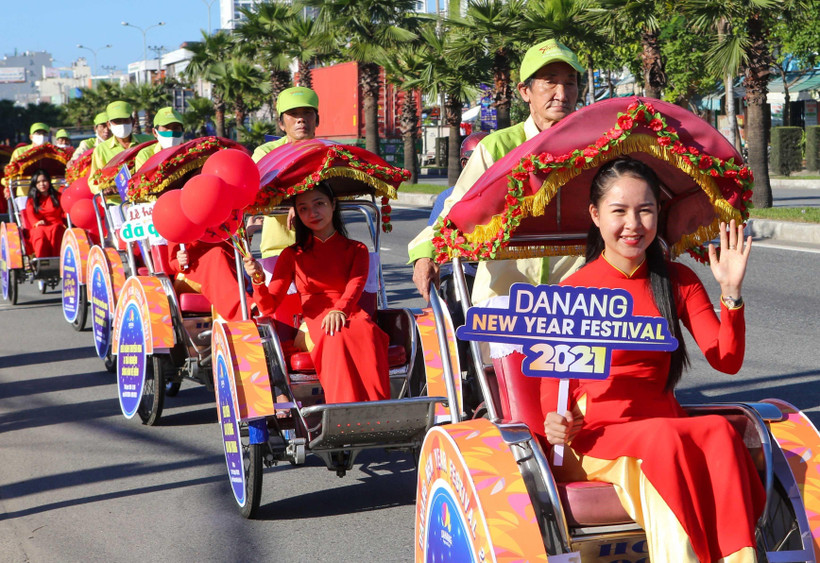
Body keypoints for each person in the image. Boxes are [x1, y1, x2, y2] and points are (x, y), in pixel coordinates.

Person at [540, 157, 762, 562]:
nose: (633, 224)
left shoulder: (678, 281)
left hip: (663, 426)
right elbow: (553, 389)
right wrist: (556, 421)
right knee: (663, 438)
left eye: (645, 210)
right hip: (599, 436)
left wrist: (731, 293)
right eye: (619, 211)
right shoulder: (572, 291)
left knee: (718, 430)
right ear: (596, 215)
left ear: (658, 213)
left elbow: (726, 361)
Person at [409, 39, 585, 304]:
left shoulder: (596, 144)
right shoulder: (497, 147)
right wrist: (426, 254)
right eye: (550, 82)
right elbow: (456, 209)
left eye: (570, 83)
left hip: (578, 299)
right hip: (503, 298)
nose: (562, 93)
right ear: (525, 91)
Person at [243, 182, 390, 404]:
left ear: (333, 204)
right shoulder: (291, 255)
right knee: (335, 335)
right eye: (303, 208)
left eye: (319, 204)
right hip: (315, 320)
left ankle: (378, 411)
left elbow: (355, 284)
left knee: (368, 334)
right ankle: (344, 410)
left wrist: (339, 310)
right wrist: (258, 279)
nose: (312, 213)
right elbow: (268, 306)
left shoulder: (357, 249)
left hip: (351, 313)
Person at [252, 86, 320, 259]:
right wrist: (294, 203)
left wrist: (302, 203)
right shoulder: (265, 153)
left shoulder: (330, 151)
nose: (301, 119)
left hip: (323, 246)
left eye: (307, 113)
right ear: (281, 124)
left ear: (317, 120)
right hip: (278, 250)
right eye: (293, 114)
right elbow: (259, 190)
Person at [88, 101, 153, 201]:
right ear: (109, 124)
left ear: (133, 122)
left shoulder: (149, 141)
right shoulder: (101, 149)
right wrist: (105, 189)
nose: (122, 125)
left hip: (147, 200)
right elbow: (93, 181)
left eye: (125, 121)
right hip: (117, 203)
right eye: (117, 121)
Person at [168, 240, 245, 322]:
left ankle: (239, 315)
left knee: (218, 258)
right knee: (217, 256)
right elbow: (172, 261)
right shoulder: (179, 231)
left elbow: (237, 253)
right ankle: (241, 312)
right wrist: (180, 261)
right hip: (190, 273)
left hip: (221, 269)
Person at [23, 169, 66, 257]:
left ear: (49, 181)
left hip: (57, 225)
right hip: (39, 226)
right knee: (40, 232)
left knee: (57, 229)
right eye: (38, 182)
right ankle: (41, 258)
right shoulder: (31, 200)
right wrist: (37, 222)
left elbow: (64, 211)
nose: (42, 184)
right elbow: (31, 215)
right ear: (35, 184)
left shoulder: (58, 196)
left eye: (44, 181)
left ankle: (57, 258)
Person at [7, 123, 51, 197]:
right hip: (25, 193)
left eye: (44, 134)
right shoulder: (19, 152)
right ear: (31, 137)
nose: (42, 136)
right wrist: (7, 186)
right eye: (38, 133)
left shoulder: (53, 152)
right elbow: (10, 174)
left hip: (48, 193)